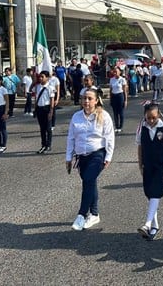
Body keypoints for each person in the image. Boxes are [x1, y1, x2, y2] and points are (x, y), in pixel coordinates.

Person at [66, 88, 115, 231]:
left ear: (96, 100)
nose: (86, 101)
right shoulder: (76, 117)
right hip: (82, 156)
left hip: (97, 154)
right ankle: (94, 214)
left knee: (88, 180)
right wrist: (69, 157)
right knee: (90, 182)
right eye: (84, 98)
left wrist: (108, 157)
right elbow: (71, 138)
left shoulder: (104, 116)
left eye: (89, 99)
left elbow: (110, 137)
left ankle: (81, 215)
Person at [136, 103, 163, 240]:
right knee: (150, 194)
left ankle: (147, 224)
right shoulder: (142, 129)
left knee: (156, 193)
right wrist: (140, 164)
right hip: (148, 166)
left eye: (153, 117)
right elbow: (140, 148)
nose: (151, 121)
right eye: (148, 118)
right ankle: (154, 226)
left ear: (158, 115)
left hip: (160, 166)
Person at [34, 70, 56, 154]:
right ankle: (43, 145)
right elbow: (36, 98)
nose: (40, 78)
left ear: (47, 78)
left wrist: (51, 111)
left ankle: (48, 145)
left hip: (47, 108)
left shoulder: (50, 87)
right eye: (40, 76)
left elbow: (52, 100)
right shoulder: (38, 87)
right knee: (42, 128)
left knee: (48, 128)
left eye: (42, 77)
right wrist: (35, 108)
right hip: (40, 108)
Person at [109, 67, 128, 133]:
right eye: (114, 72)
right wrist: (110, 99)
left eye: (116, 72)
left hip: (120, 96)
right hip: (114, 96)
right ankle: (116, 126)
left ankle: (120, 126)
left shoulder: (122, 79)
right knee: (115, 113)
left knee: (121, 112)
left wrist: (125, 100)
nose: (115, 73)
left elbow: (125, 91)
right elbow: (111, 90)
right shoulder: (111, 79)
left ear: (119, 72)